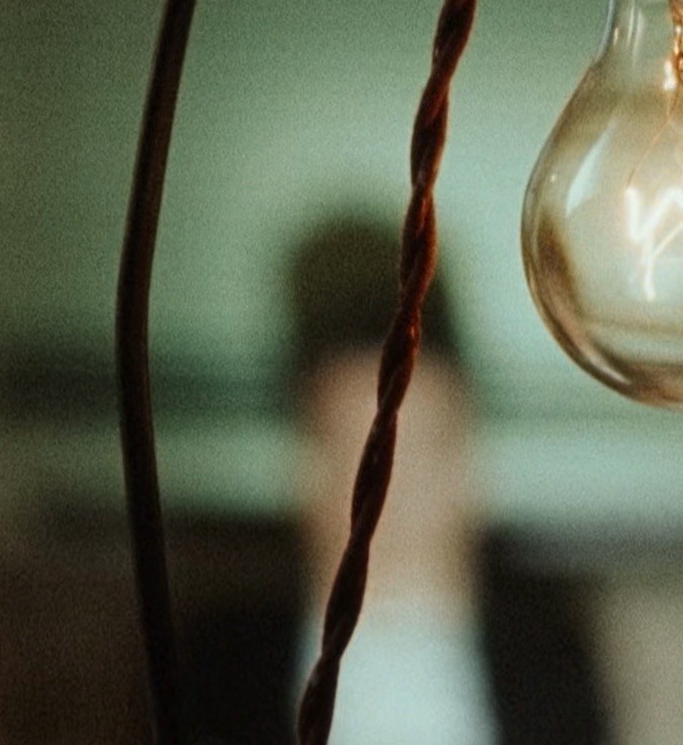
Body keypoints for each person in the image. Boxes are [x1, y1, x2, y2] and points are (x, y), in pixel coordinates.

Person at [183, 215, 611, 745]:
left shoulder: (551, 667)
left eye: (420, 452)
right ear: (305, 473)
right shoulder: (223, 673)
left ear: (470, 465)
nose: (394, 499)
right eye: (360, 459)